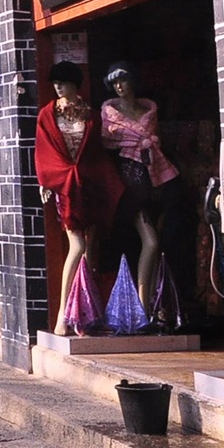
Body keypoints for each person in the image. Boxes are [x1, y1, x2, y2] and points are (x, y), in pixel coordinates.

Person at [36, 61, 123, 335]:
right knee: (77, 244)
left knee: (90, 248)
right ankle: (63, 312)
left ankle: (85, 311)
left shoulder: (91, 114)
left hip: (89, 185)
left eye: (62, 82)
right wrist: (46, 180)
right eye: (56, 83)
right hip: (65, 185)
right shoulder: (48, 114)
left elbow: (96, 151)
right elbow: (44, 150)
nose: (58, 87)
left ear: (75, 84)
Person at [100, 64, 178, 315]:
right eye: (114, 83)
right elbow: (107, 144)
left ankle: (152, 304)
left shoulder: (149, 112)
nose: (119, 87)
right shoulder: (110, 116)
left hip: (155, 179)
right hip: (130, 183)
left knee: (159, 240)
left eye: (123, 80)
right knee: (151, 242)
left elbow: (158, 146)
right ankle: (143, 306)